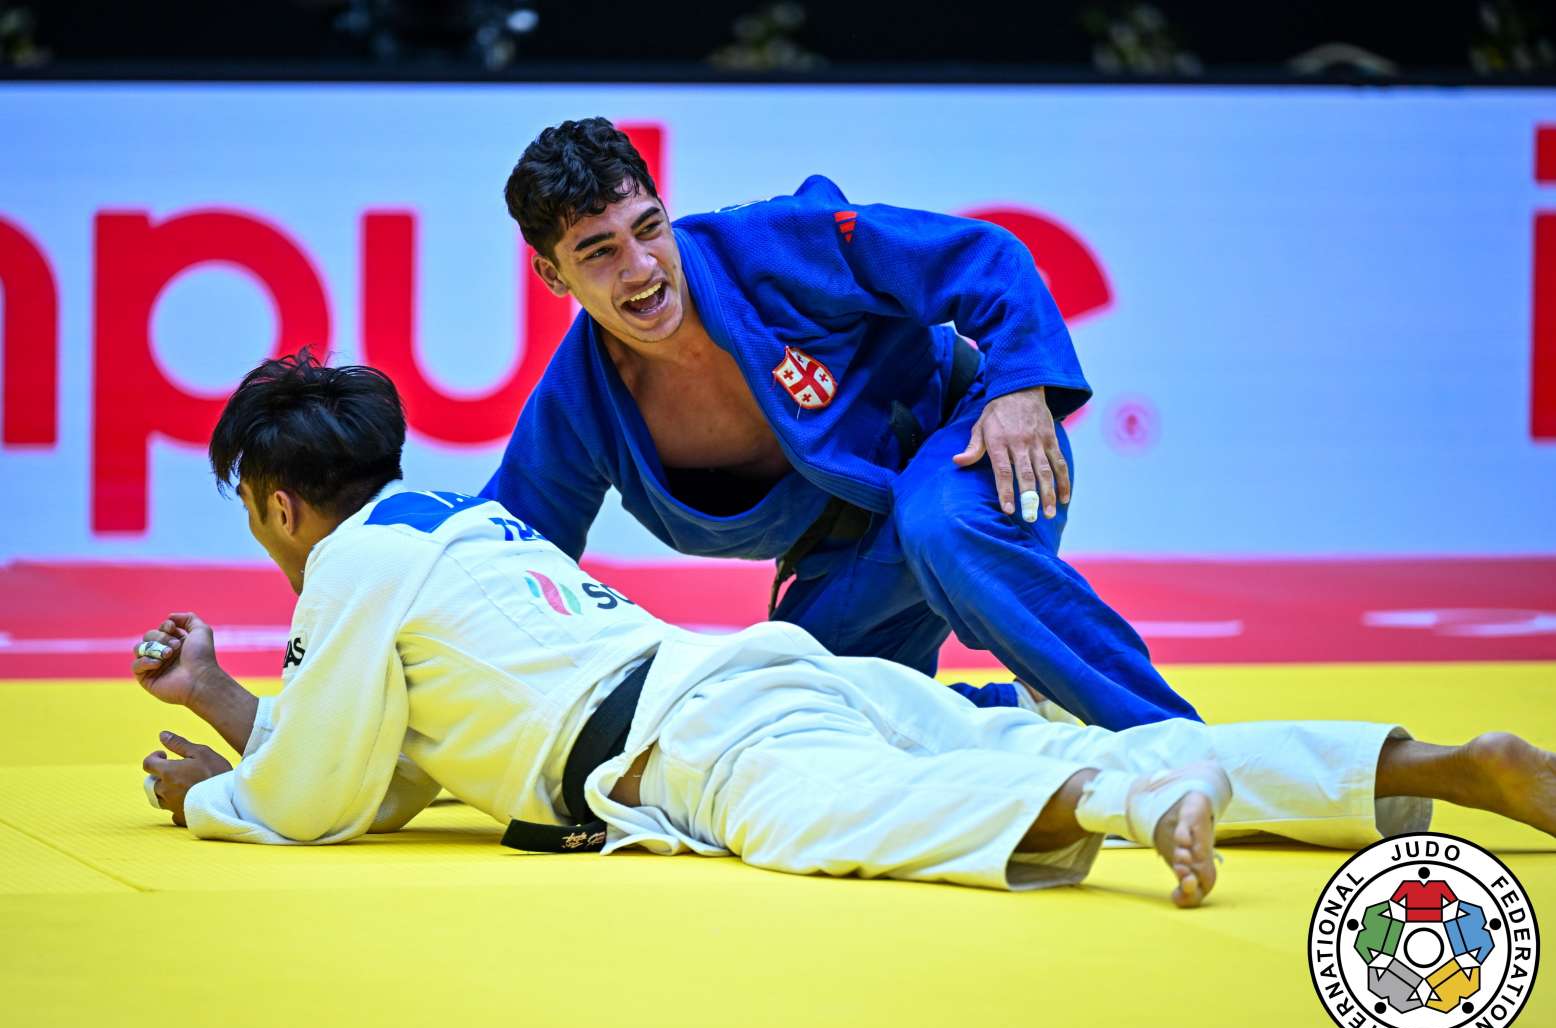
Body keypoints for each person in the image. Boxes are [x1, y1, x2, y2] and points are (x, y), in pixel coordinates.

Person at [133, 353, 1556, 910]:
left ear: (275, 504)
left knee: (861, 818)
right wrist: (220, 704)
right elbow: (386, 766)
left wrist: (214, 796)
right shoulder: (458, 528)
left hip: (694, 743)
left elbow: (316, 798)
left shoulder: (349, 572)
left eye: (252, 513)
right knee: (1005, 748)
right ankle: (1422, 764)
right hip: (754, 673)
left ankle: (1128, 801)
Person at [482, 117, 1193, 730]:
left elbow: (984, 257)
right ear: (553, 276)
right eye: (599, 251)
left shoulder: (775, 247)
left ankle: (1167, 736)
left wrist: (1017, 386)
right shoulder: (577, 404)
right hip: (859, 560)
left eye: (648, 229)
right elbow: (500, 568)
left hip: (972, 447)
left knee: (942, 522)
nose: (641, 268)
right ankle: (1017, 713)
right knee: (771, 716)